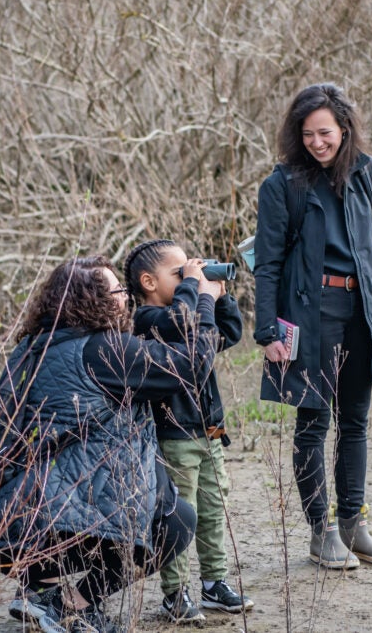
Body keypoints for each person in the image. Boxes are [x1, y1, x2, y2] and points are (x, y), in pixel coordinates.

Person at [0, 255, 221, 633]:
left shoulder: (32, 348)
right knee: (176, 522)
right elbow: (192, 366)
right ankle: (72, 606)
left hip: (1, 527)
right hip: (54, 526)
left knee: (73, 484)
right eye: (117, 291)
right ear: (92, 301)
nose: (126, 298)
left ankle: (40, 592)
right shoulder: (104, 350)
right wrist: (203, 297)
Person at [253, 83, 372, 569]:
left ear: (344, 128)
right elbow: (267, 264)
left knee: (355, 422)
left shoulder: (369, 173)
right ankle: (320, 531)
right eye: (307, 134)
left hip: (363, 309)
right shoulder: (281, 185)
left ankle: (352, 525)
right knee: (313, 422)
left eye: (325, 132)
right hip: (311, 313)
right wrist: (267, 332)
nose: (317, 142)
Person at [124, 239, 254, 624]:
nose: (189, 279)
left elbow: (227, 333)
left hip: (209, 431)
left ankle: (214, 582)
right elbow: (180, 320)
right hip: (174, 434)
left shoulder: (191, 312)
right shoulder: (146, 320)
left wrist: (221, 299)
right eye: (180, 274)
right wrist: (199, 292)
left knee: (213, 510)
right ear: (149, 282)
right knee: (182, 514)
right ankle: (175, 592)